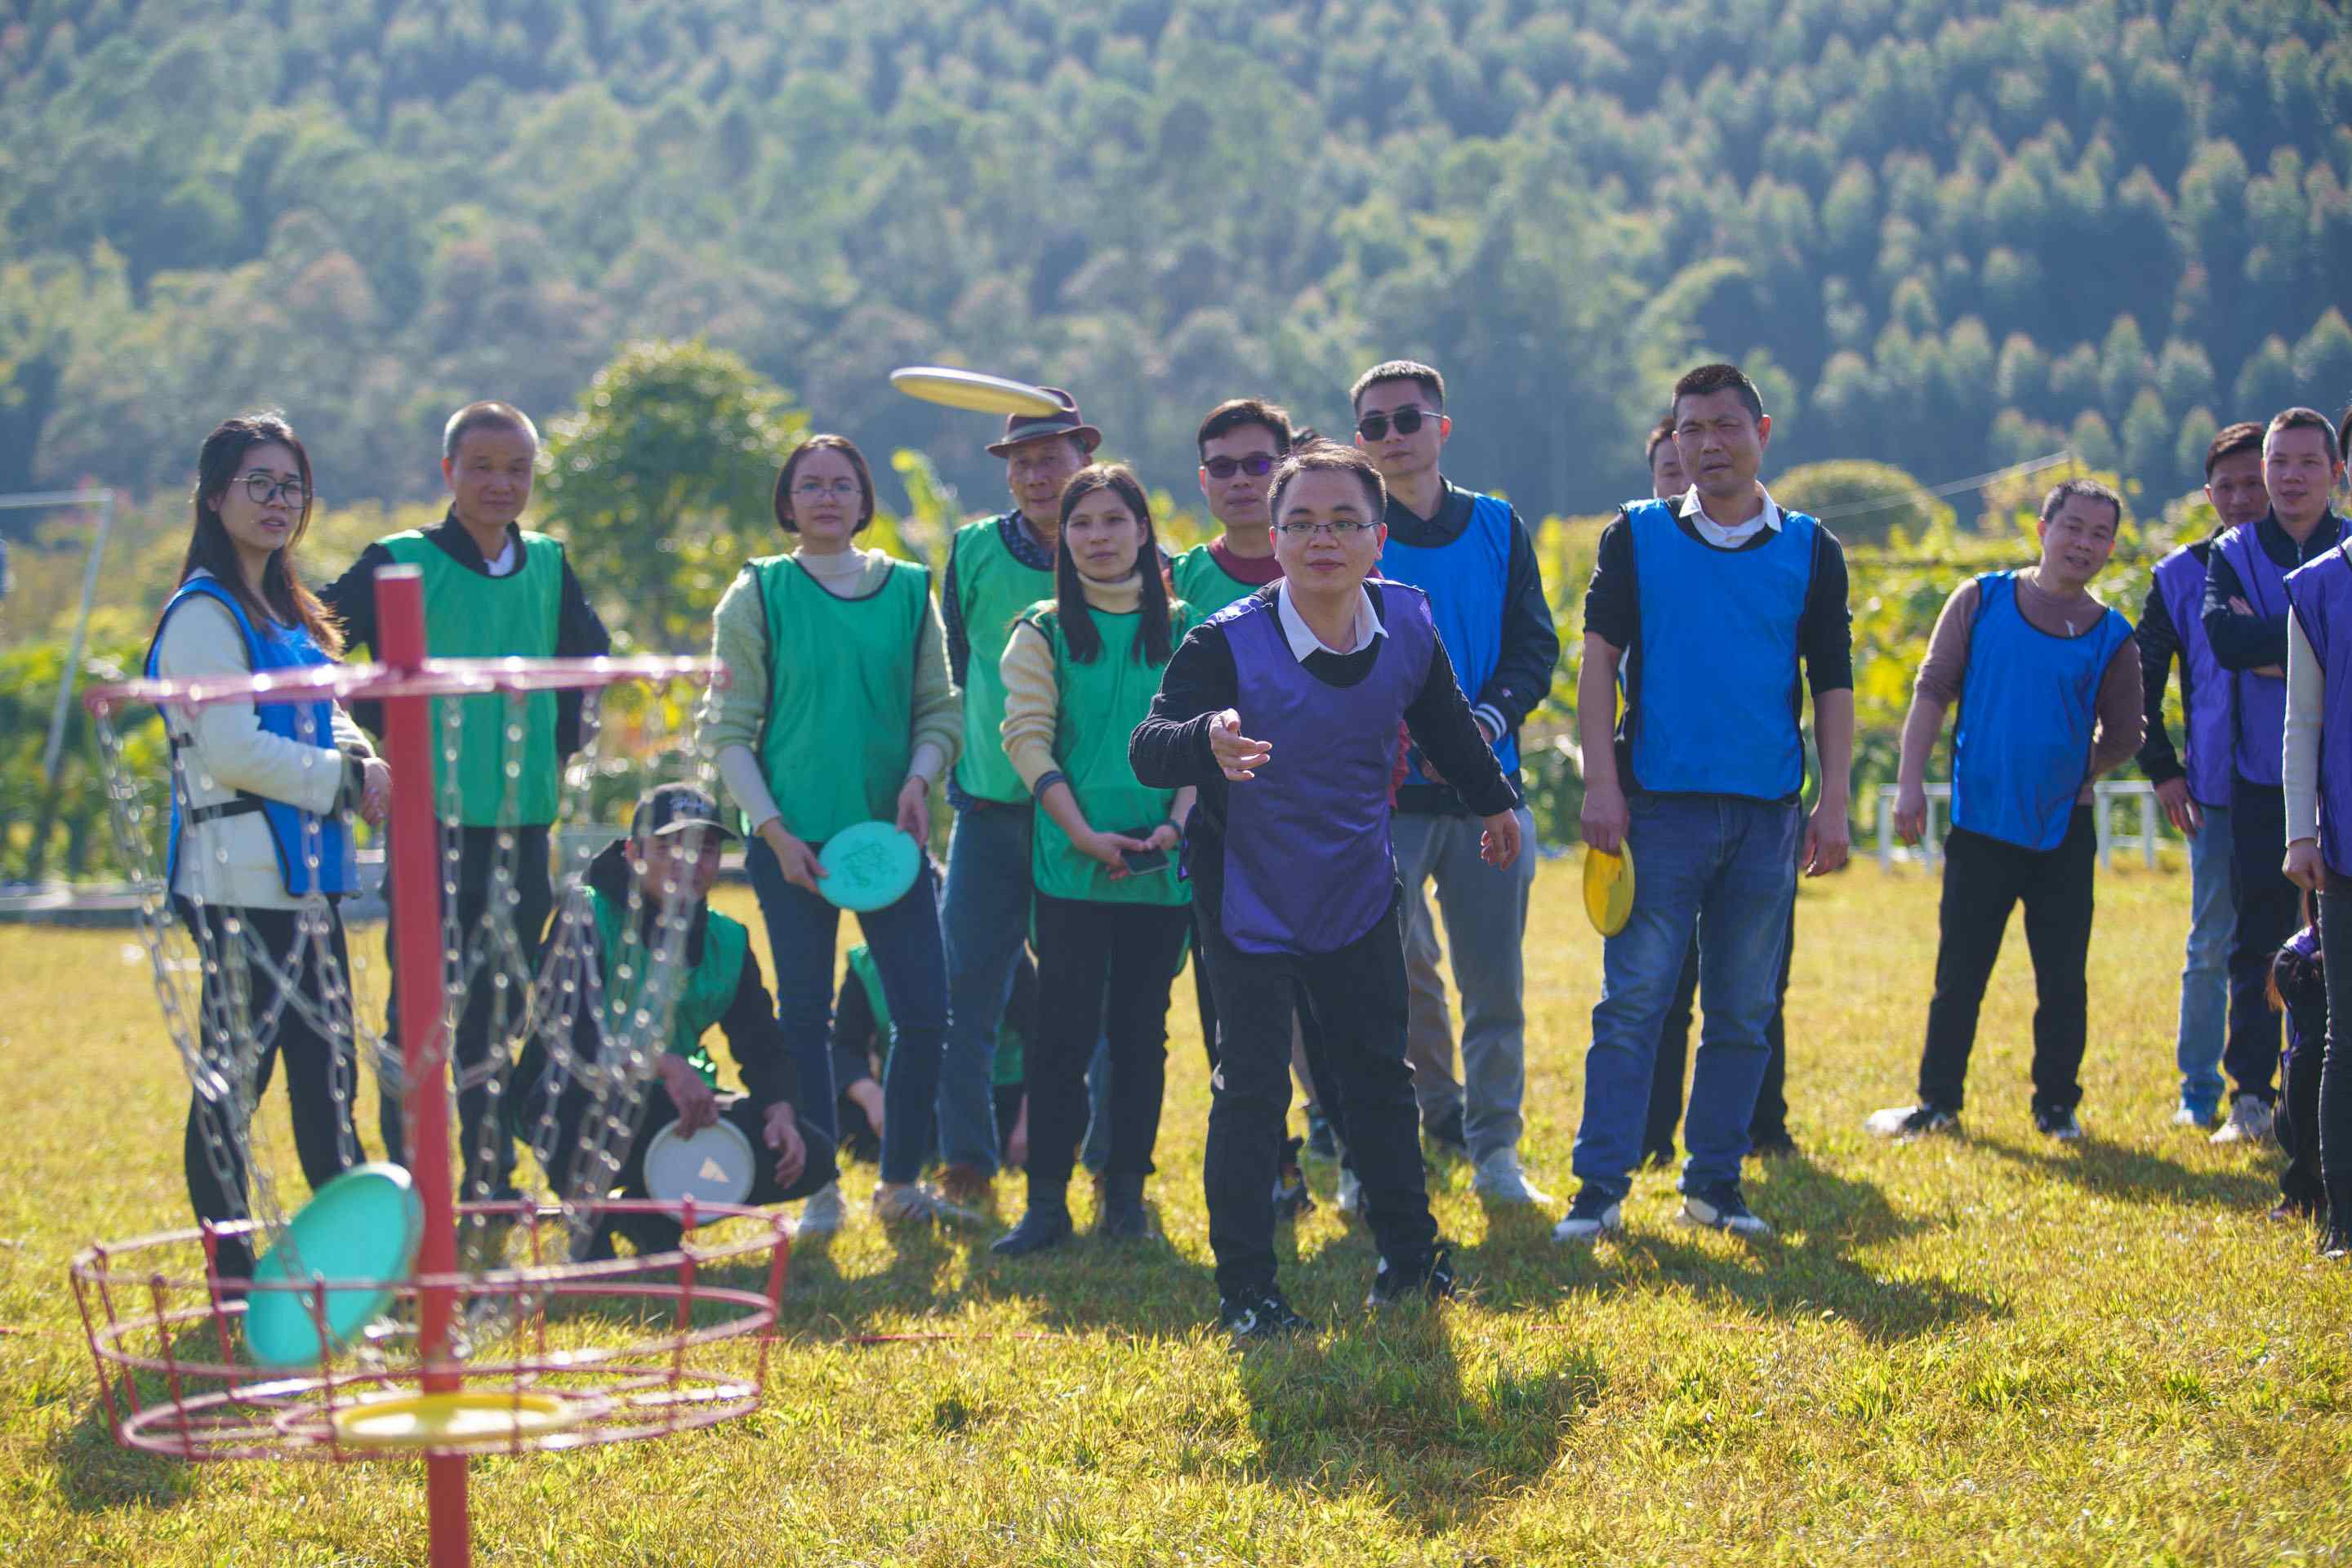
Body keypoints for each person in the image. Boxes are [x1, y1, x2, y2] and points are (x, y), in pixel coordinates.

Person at [1131, 441, 1521, 1339]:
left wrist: (1495, 802)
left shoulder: (1410, 626)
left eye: (1344, 522)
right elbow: (1148, 744)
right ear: (1273, 538)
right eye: (1302, 522)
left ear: (1378, 540)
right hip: (1246, 894)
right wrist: (1206, 739)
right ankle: (1249, 1295)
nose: (1323, 539)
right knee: (1253, 1088)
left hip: (1354, 886)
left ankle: (1409, 1262)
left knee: (1381, 1078)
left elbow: (1447, 729)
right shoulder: (1223, 643)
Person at [1558, 363, 1853, 1246]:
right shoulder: (1637, 535)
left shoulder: (1811, 547)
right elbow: (1599, 659)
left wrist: (1833, 800)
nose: (1708, 444)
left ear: (1762, 430)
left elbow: (1832, 681)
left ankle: (1714, 1186)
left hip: (1767, 814)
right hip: (1658, 810)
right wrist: (1602, 787)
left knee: (1741, 1011)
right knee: (1633, 1004)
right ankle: (1598, 1190)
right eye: (1691, 429)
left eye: (1726, 426)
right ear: (1673, 439)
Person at [323, 400, 609, 1201]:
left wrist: (557, 750)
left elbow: (590, 665)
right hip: (429, 828)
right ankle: (409, 1187)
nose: (499, 482)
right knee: (416, 1014)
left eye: (516, 468)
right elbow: (313, 646)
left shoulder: (550, 561)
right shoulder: (399, 559)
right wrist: (364, 747)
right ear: (447, 472)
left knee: (497, 1012)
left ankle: (488, 1181)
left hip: (525, 826)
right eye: (481, 466)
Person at [146, 412, 391, 1278]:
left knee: (329, 1082)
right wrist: (344, 782)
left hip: (311, 880)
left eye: (291, 485)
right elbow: (229, 747)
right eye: (259, 483)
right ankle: (233, 1271)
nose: (279, 501)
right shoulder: (203, 614)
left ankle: (348, 1270)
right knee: (235, 1082)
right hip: (235, 882)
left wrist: (363, 758)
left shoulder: (291, 611)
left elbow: (329, 714)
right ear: (215, 497)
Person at [697, 434, 963, 1231]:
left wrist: (918, 781)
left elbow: (938, 710)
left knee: (923, 1012)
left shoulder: (911, 591)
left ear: (863, 499)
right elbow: (729, 731)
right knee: (804, 1014)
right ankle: (818, 1190)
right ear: (787, 502)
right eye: (808, 485)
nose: (825, 497)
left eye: (841, 484)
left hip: (891, 842)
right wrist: (773, 833)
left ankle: (902, 1184)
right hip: (795, 848)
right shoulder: (758, 595)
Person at [1869, 479, 2142, 1141]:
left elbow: (2127, 734)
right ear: (2043, 527)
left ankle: (2056, 1107)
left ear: (2110, 546)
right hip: (1980, 824)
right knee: (1959, 974)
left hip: (2063, 832)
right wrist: (1909, 784)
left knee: (2062, 979)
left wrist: (2077, 769)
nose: (2084, 543)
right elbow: (1932, 690)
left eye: (2099, 534)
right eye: (2072, 527)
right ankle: (1937, 1104)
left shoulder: (2111, 635)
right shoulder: (1982, 600)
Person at [1352, 359, 1560, 1205]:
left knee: (1493, 986)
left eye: (1408, 419)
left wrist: (1482, 726)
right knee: (1371, 987)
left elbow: (1533, 646)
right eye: (1373, 425)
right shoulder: (1350, 528)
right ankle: (1374, 1157)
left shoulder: (1500, 527)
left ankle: (1496, 1153)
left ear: (1442, 427)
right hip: (1383, 802)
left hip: (1487, 796)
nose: (1392, 437)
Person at [991, 465, 1198, 1254]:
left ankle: (1125, 1198)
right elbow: (1026, 739)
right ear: (1064, 537)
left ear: (1144, 531)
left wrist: (1174, 830)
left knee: (1143, 1035)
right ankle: (1046, 1206)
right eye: (1082, 524)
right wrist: (1081, 835)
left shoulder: (1187, 629)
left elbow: (1205, 740)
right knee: (1062, 1036)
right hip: (1071, 865)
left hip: (1159, 862)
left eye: (1115, 521)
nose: (1099, 538)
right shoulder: (1039, 629)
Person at [532, 785, 837, 1261]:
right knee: (572, 1096)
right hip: (573, 1095)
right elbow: (568, 1036)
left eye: (706, 849)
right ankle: (585, 1222)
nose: (690, 862)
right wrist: (664, 1065)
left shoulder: (726, 939)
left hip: (676, 1104)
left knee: (811, 1156)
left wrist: (780, 1109)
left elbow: (762, 1044)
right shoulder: (586, 912)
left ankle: (648, 1216)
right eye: (669, 846)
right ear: (633, 853)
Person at [934, 390, 1101, 1202]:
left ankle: (1103, 1161)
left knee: (1090, 995)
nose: (1038, 475)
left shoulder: (1121, 544)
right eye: (1022, 462)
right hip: (992, 805)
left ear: (1086, 459)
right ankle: (966, 1159)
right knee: (964, 992)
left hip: (1087, 815)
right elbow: (961, 666)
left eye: (1052, 456)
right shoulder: (969, 550)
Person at [1174, 397, 1336, 1211]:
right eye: (1224, 467)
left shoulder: (1326, 560)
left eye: (1258, 464)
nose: (1242, 481)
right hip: (1226, 837)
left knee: (1338, 1004)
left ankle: (1354, 1147)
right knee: (1235, 1018)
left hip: (1331, 828)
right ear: (1204, 479)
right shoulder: (1177, 583)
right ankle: (1272, 1169)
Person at [1638, 410, 1801, 1166]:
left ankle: (1760, 1126)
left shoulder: (1787, 549)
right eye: (1673, 469)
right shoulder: (1643, 553)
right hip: (1668, 799)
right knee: (1660, 993)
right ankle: (1649, 1136)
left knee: (1755, 989)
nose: (1692, 475)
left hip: (1759, 803)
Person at [2203, 407, 2352, 1147]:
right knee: (2256, 943)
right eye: (2279, 462)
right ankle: (2251, 1097)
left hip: (2344, 785)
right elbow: (2225, 641)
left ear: (2336, 472)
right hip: (2264, 780)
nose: (2291, 477)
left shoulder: (2349, 549)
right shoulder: (2231, 550)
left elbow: (2260, 639)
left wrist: (2279, 645)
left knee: (2332, 947)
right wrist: (2316, 647)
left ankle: (2322, 1105)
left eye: (2307, 463)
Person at [2137, 421, 2266, 1129]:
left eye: (2256, 482)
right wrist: (2161, 768)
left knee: (2296, 939)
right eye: (2229, 486)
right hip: (2213, 789)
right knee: (2211, 940)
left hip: (2299, 784)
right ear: (2207, 493)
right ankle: (2198, 1092)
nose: (2244, 497)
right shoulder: (2178, 576)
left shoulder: (2302, 559)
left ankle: (2281, 1085)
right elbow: (2141, 678)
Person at [2274, 403, 2352, 1255]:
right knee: (2343, 1036)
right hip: (2346, 847)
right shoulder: (2321, 587)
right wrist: (2302, 833)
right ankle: (2341, 1214)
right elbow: (2303, 723)